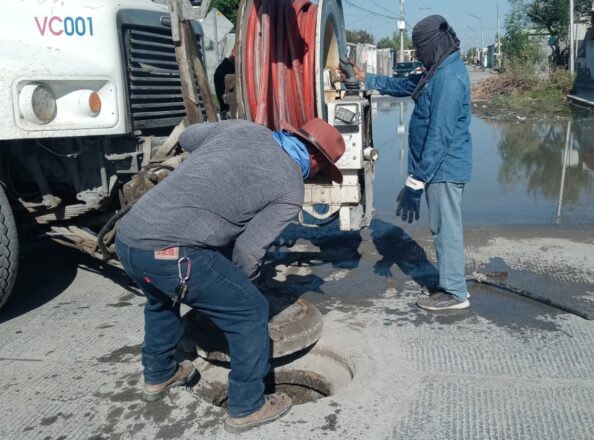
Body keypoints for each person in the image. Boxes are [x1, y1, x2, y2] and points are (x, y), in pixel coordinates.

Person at [114, 118, 345, 433]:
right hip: (174, 254)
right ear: (315, 160)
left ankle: (159, 374)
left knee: (161, 299)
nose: (314, 175)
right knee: (249, 310)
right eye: (320, 171)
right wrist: (239, 287)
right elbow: (249, 251)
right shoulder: (291, 183)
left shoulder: (242, 128)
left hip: (129, 239)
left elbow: (190, 136)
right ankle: (249, 406)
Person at [352, 15, 472, 311]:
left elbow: (440, 136)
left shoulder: (448, 78)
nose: (418, 54)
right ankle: (451, 282)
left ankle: (455, 293)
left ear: (433, 43)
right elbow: (407, 85)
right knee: (442, 227)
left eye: (420, 48)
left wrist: (415, 181)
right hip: (437, 167)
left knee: (446, 229)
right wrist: (364, 78)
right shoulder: (438, 69)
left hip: (442, 167)